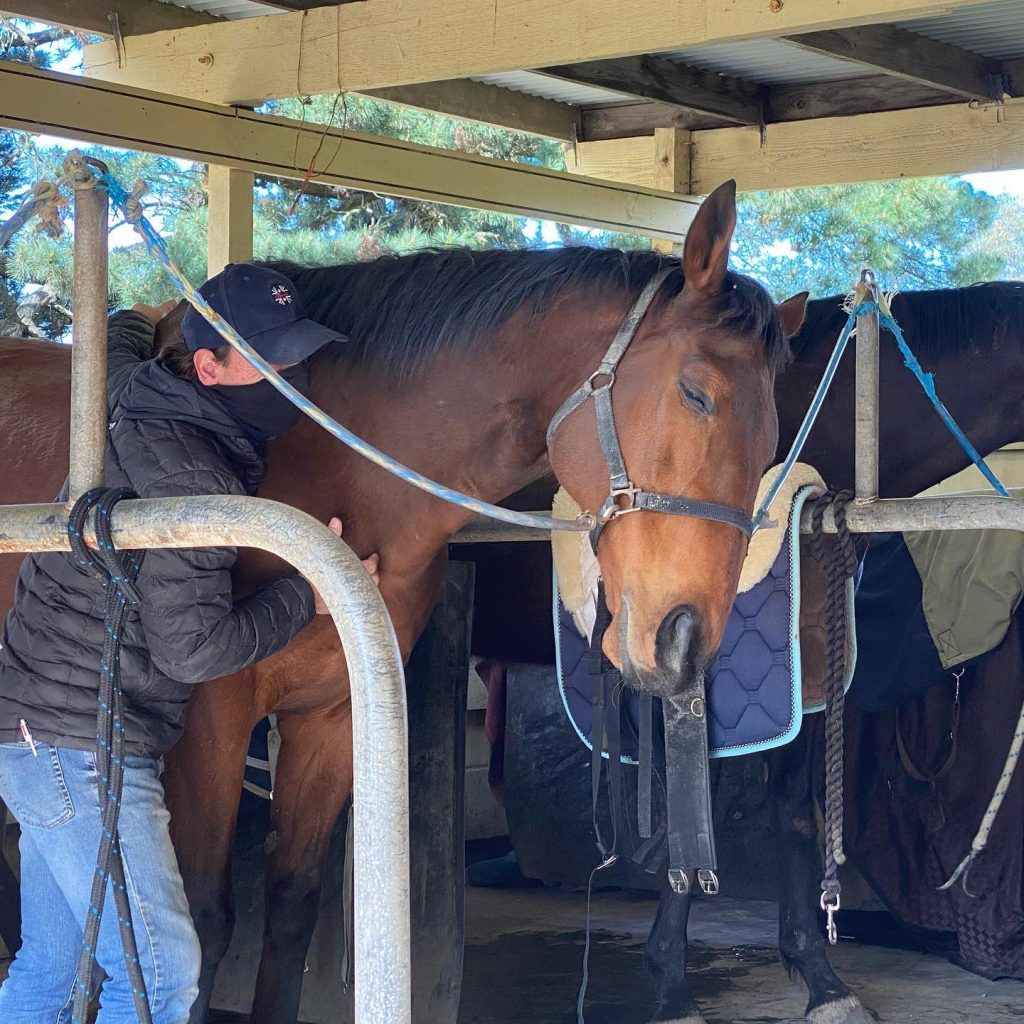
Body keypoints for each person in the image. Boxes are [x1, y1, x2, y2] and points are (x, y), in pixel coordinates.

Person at [0, 263, 378, 1023]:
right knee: (162, 977)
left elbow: (119, 345)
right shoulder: (192, 473)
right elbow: (195, 650)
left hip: (39, 732)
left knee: (52, 964)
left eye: (296, 357)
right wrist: (313, 588)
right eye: (270, 364)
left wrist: (140, 314)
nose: (293, 379)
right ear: (207, 366)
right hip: (83, 745)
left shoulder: (131, 393)